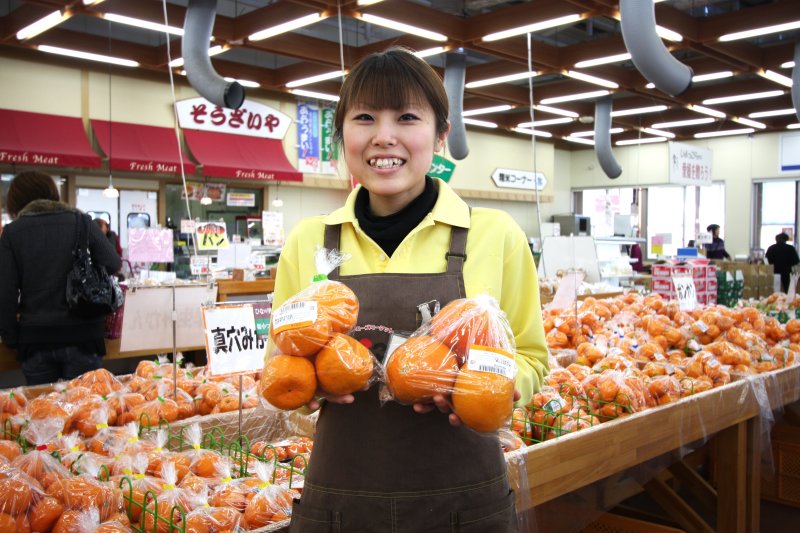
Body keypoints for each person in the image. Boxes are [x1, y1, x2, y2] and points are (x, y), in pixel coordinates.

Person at [273, 47, 548, 532]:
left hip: (465, 502)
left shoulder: (495, 234)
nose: (384, 137)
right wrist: (307, 391)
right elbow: (284, 356)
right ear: (342, 135)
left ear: (440, 134)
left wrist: (490, 388)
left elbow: (530, 357)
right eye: (363, 118)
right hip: (342, 498)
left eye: (406, 117)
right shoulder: (309, 240)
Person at [0, 171, 121, 385]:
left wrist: (12, 338)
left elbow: (5, 293)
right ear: (52, 193)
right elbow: (113, 262)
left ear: (16, 201)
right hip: (84, 336)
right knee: (86, 411)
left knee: (44, 414)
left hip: (36, 339)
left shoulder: (12, 233)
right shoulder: (81, 222)